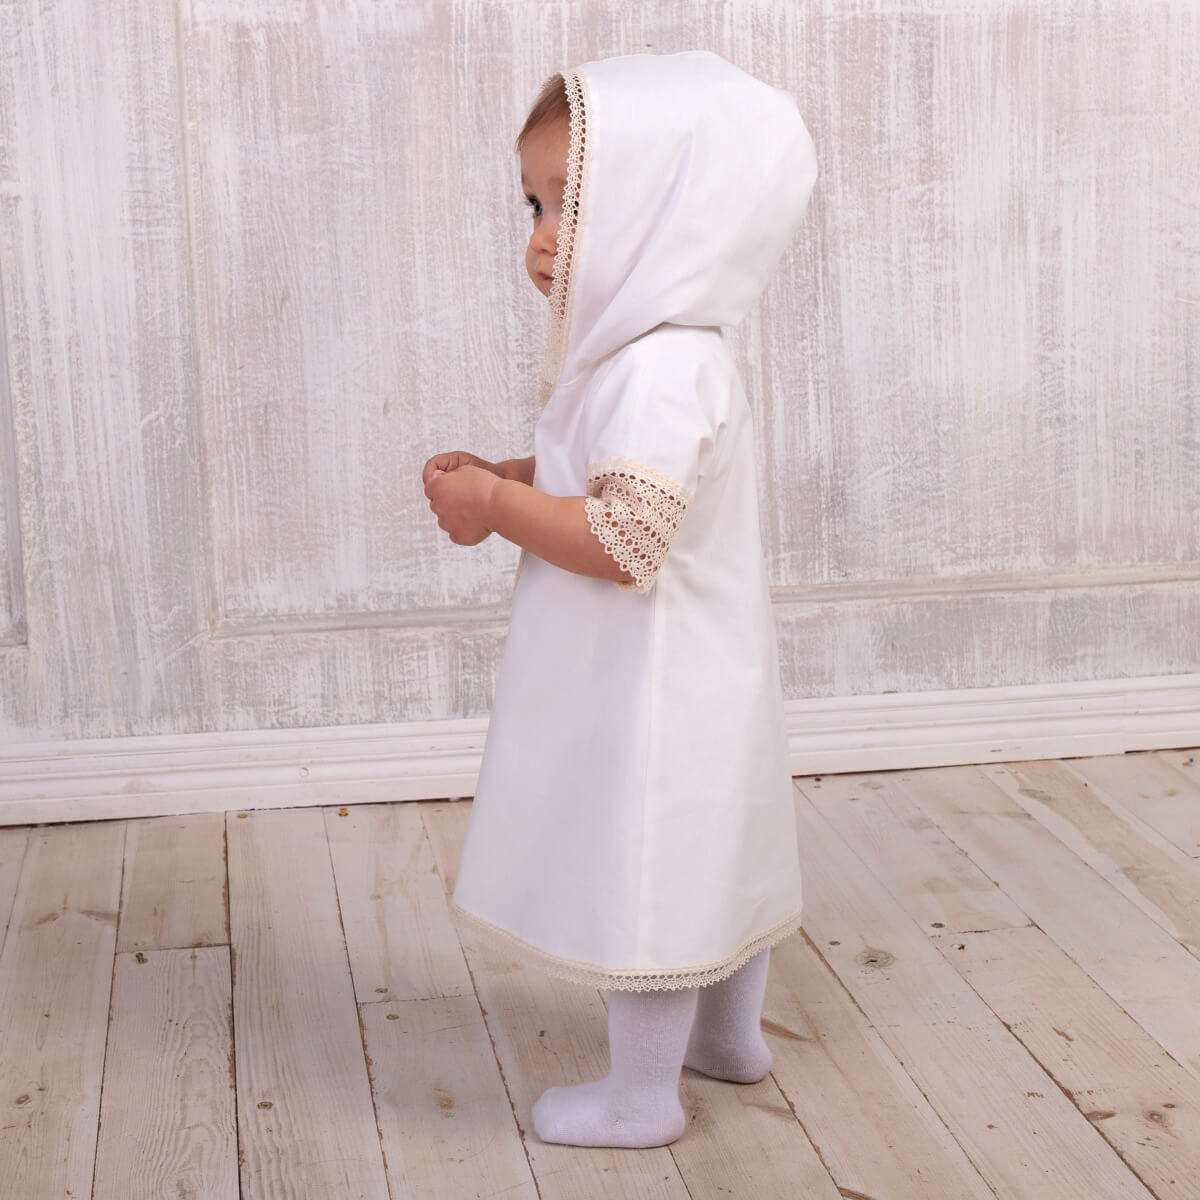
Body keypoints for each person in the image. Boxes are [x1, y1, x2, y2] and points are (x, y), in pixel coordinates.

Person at [422, 49, 819, 1149]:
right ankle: (727, 1040)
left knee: (650, 877)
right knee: (714, 853)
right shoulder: (666, 356)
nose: (543, 237)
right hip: (704, 671)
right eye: (535, 204)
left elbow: (623, 537)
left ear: (673, 218)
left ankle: (642, 1095)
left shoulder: (655, 370)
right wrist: (506, 477)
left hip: (655, 687)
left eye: (574, 205)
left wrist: (497, 509)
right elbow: (610, 489)